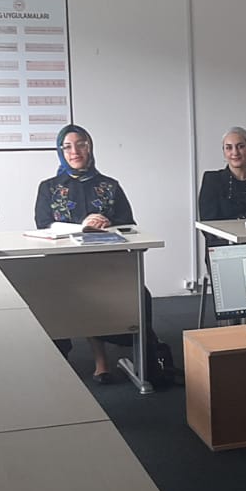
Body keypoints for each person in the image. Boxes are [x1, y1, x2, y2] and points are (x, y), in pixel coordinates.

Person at [33, 124, 160, 383]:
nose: (75, 151)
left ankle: (140, 360)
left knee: (140, 295)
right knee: (57, 296)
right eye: (67, 147)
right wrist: (81, 226)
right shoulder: (49, 188)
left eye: (81, 144)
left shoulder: (110, 186)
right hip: (64, 266)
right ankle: (85, 360)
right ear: (60, 152)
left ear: (90, 147)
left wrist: (108, 223)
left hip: (106, 264)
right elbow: (43, 225)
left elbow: (130, 225)